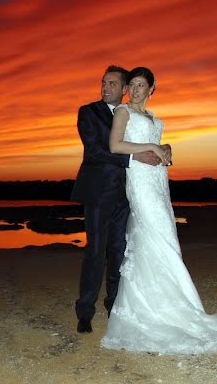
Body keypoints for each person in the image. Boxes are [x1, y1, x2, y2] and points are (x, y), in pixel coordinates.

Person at [101, 66, 217, 353]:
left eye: (142, 85)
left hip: (159, 183)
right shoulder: (122, 113)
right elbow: (115, 145)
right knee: (152, 234)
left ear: (152, 89)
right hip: (140, 184)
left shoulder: (156, 119)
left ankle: (170, 303)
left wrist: (166, 149)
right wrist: (153, 145)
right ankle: (152, 311)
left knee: (166, 236)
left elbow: (159, 150)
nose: (136, 90)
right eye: (133, 85)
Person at [70, 66, 163, 334]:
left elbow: (144, 141)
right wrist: (135, 156)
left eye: (112, 83)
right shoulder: (88, 112)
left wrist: (159, 152)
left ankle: (114, 307)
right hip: (98, 191)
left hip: (126, 193)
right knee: (95, 250)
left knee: (119, 251)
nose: (105, 87)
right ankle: (85, 312)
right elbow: (95, 150)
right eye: (103, 82)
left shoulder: (131, 115)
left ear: (124, 89)